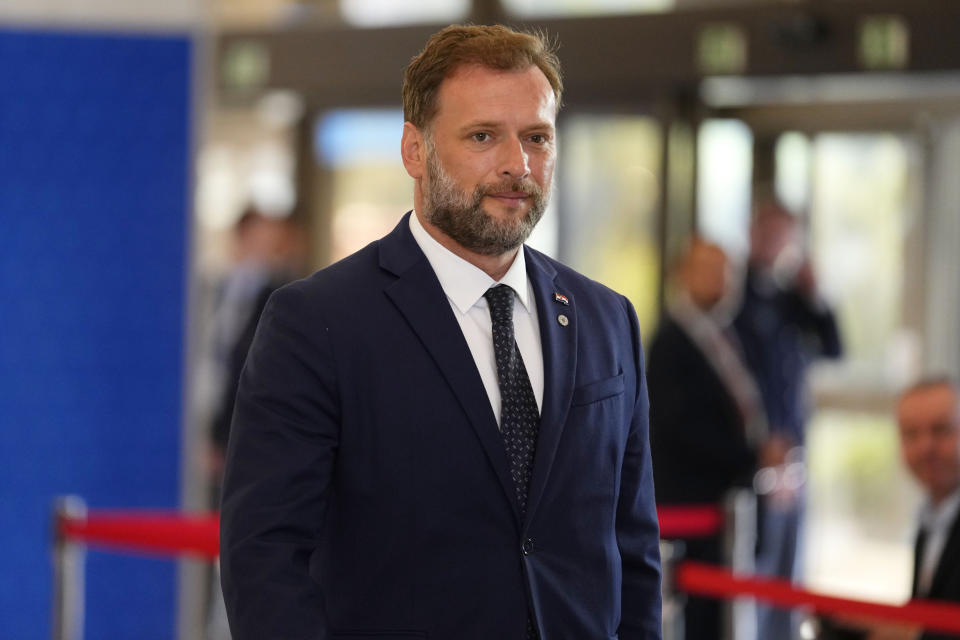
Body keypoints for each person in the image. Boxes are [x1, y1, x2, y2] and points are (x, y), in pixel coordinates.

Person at [219, 24, 662, 640]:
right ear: (414, 151)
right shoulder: (317, 322)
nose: (518, 164)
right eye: (484, 136)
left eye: (537, 137)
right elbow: (264, 561)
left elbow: (632, 547)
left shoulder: (607, 319)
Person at [648, 239, 780, 639]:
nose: (722, 281)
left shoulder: (729, 334)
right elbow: (681, 428)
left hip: (730, 507)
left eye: (727, 271)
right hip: (691, 513)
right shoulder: (671, 342)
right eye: (709, 269)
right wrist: (755, 455)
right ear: (683, 275)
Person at [733, 198, 842, 639]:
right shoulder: (736, 294)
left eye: (786, 236)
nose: (777, 244)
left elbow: (834, 348)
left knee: (789, 563)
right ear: (754, 233)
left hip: (793, 449)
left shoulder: (792, 297)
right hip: (756, 452)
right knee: (757, 557)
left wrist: (816, 294)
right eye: (770, 232)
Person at [821, 378, 960, 640]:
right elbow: (933, 608)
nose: (925, 447)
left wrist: (908, 633)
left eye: (941, 430)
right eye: (911, 434)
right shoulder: (932, 514)